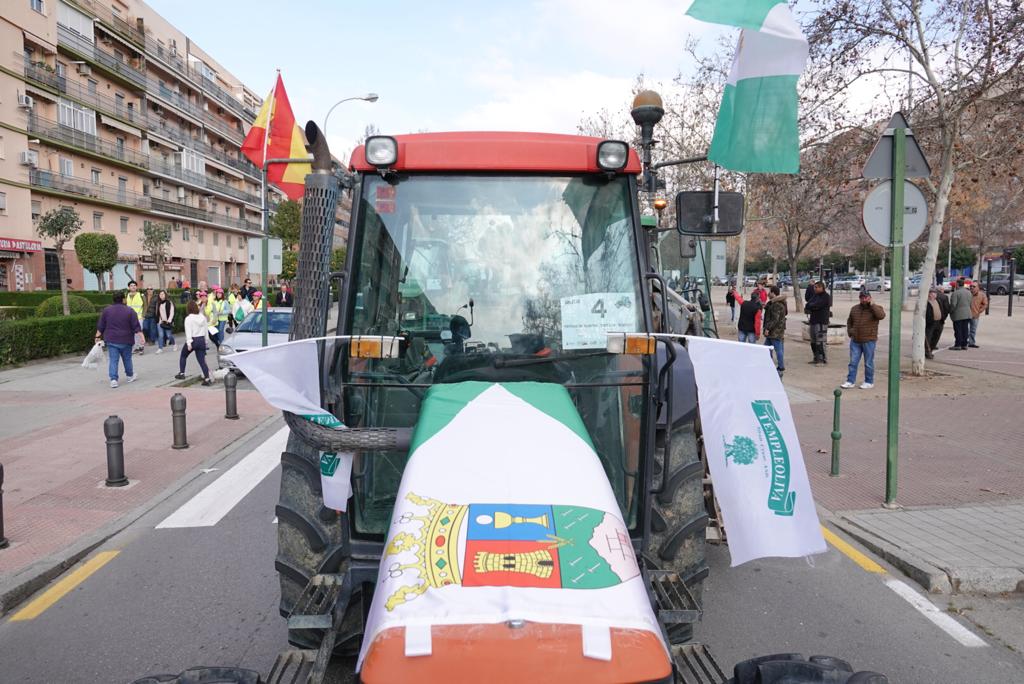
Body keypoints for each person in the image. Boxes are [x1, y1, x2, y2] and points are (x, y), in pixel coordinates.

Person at [95, 291, 141, 388]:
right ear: (123, 299)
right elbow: (136, 326)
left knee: (113, 360)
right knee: (127, 359)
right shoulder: (130, 311)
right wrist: (142, 337)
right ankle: (129, 376)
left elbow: (101, 325)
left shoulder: (107, 310)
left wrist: (97, 337)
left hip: (111, 339)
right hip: (126, 339)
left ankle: (113, 380)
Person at [841, 290, 886, 389]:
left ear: (870, 298)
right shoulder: (854, 308)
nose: (864, 299)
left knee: (868, 363)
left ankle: (869, 381)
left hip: (869, 340)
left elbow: (881, 316)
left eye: (866, 297)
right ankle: (850, 381)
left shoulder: (876, 308)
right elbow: (849, 321)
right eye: (862, 297)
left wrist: (872, 305)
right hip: (855, 340)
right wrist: (850, 332)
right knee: (853, 362)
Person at [175, 301, 212, 386]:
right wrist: (206, 341)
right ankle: (207, 379)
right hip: (201, 339)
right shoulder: (202, 317)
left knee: (183, 355)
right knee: (202, 361)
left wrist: (189, 343)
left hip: (193, 340)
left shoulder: (188, 319)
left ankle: (182, 373)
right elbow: (206, 330)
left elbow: (188, 332)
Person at [804, 281, 831, 365]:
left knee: (821, 341)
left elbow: (818, 305)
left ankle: (822, 359)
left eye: (816, 287)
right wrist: (811, 306)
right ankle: (816, 357)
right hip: (813, 321)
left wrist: (812, 306)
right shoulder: (814, 296)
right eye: (814, 287)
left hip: (821, 322)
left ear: (821, 287)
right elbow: (808, 305)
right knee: (813, 341)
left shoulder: (826, 297)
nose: (815, 289)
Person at [762, 285, 787, 377]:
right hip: (776, 331)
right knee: (766, 348)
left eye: (770, 292)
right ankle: (768, 363)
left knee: (778, 349)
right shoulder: (778, 303)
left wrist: (768, 328)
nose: (768, 293)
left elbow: (774, 319)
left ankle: (781, 367)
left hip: (775, 332)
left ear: (773, 293)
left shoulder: (776, 304)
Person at [948, 277, 972, 350]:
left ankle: (958, 344)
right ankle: (964, 344)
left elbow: (953, 304)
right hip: (967, 313)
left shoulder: (956, 293)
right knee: (965, 329)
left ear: (957, 284)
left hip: (958, 314)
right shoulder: (968, 292)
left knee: (958, 330)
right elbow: (970, 303)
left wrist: (950, 311)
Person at [125, 280, 146, 354]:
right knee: (133, 333)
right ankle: (136, 347)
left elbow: (145, 305)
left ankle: (141, 347)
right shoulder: (126, 295)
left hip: (139, 317)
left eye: (134, 285)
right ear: (129, 287)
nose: (133, 287)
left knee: (139, 332)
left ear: (136, 287)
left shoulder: (141, 295)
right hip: (129, 318)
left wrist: (143, 315)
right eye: (131, 286)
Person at [924, 288, 943, 359]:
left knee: (936, 337)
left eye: (935, 294)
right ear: (929, 294)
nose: (935, 295)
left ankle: (931, 350)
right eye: (933, 293)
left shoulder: (938, 301)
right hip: (930, 323)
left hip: (939, 322)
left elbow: (942, 310)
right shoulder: (926, 302)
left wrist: (942, 319)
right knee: (928, 338)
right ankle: (927, 352)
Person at [155, 290, 176, 354]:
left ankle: (174, 344)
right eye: (160, 294)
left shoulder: (169, 302)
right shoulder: (158, 303)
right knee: (160, 335)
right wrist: (159, 321)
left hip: (167, 322)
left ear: (165, 295)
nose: (161, 295)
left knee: (169, 335)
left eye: (163, 294)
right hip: (160, 321)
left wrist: (169, 321)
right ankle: (160, 348)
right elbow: (158, 313)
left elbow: (172, 312)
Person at [968, 281, 987, 348]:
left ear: (978, 288)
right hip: (966, 315)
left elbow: (985, 304)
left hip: (975, 315)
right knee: (966, 330)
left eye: (974, 286)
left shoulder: (982, 295)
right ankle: (964, 341)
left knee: (973, 330)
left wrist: (979, 311)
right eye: (971, 286)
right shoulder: (967, 294)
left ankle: (971, 343)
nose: (972, 287)